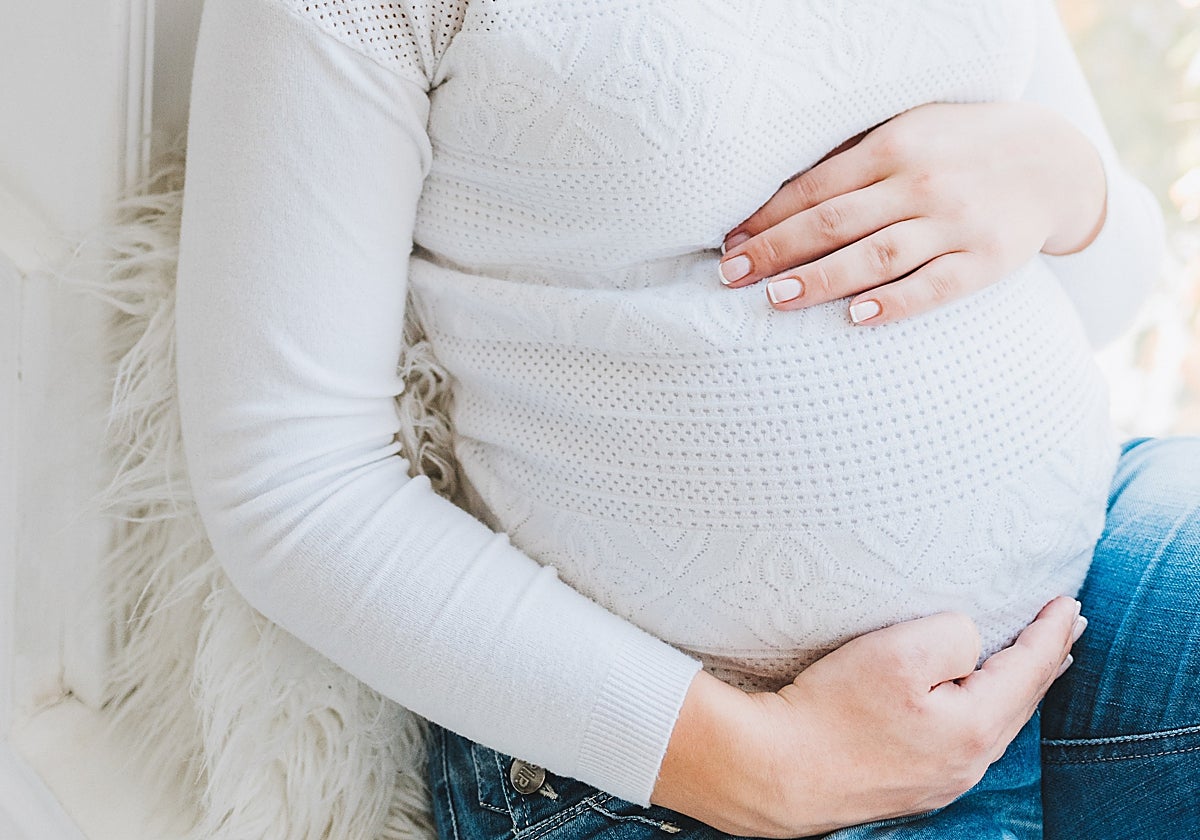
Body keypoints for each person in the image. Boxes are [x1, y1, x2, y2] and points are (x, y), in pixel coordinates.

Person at [173, 0, 1197, 837]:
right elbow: (289, 483)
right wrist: (763, 768)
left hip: (1081, 598)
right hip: (680, 766)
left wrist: (1069, 182)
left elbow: (1100, 295)